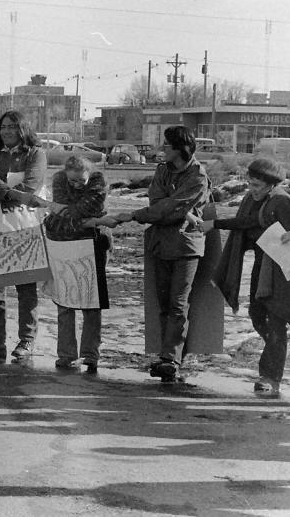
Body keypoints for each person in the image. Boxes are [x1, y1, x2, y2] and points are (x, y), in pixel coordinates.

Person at [113, 125, 210, 381]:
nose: (161, 149)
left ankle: (171, 359)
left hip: (186, 248)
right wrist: (172, 210)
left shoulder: (198, 176)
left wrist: (162, 211)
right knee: (164, 303)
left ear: (181, 148)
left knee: (179, 304)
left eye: (166, 145)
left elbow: (170, 208)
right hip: (160, 244)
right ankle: (167, 354)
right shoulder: (162, 171)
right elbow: (158, 205)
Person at [208, 158, 290, 394]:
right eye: (250, 183)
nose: (251, 189)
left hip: (282, 271)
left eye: (256, 185)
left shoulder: (282, 201)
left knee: (275, 321)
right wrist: (215, 224)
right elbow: (249, 222)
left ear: (270, 184)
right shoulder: (257, 200)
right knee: (256, 314)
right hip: (263, 264)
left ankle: (270, 377)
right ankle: (277, 352)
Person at [0, 110, 47, 360]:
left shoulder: (36, 153)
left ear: (22, 129)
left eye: (12, 127)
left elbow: (32, 185)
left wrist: (0, 193)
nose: (7, 131)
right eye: (3, 126)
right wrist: (7, 194)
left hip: (25, 227)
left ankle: (26, 341)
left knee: (26, 286)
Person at [38, 156, 117, 373]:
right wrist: (76, 214)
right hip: (64, 244)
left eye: (80, 181)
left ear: (89, 174)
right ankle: (66, 355)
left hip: (94, 242)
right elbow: (68, 210)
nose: (75, 185)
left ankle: (90, 355)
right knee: (65, 300)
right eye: (72, 181)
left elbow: (77, 210)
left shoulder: (100, 181)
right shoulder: (58, 179)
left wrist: (65, 212)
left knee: (91, 300)